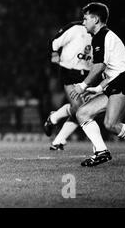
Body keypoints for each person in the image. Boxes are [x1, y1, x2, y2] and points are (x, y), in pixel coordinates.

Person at [70, 2, 125, 167]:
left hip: (124, 81)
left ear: (95, 19)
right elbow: (112, 69)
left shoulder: (101, 36)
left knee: (111, 124)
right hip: (116, 81)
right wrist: (98, 89)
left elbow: (100, 67)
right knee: (82, 113)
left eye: (85, 19)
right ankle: (101, 152)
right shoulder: (103, 36)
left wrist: (82, 85)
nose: (83, 23)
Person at [43, 20, 94, 150]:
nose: (85, 19)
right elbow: (54, 42)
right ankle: (100, 150)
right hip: (69, 71)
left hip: (89, 74)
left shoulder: (101, 34)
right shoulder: (75, 28)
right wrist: (54, 54)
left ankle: (57, 134)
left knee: (84, 109)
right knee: (80, 108)